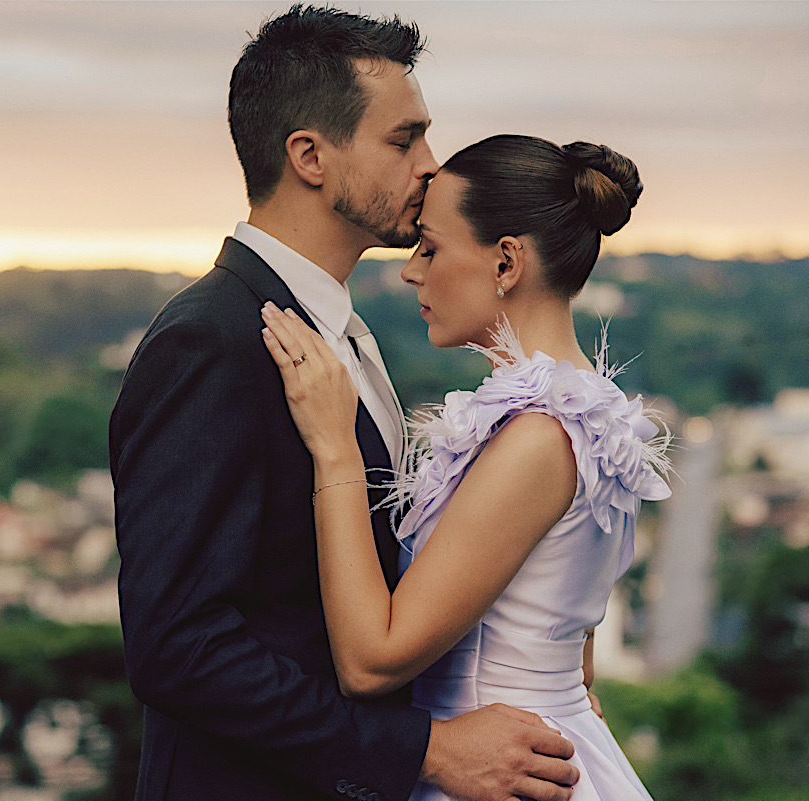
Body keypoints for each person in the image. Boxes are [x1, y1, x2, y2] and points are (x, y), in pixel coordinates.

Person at [110, 6, 580, 801]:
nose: (431, 166)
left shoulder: (346, 332)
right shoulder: (210, 341)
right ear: (310, 156)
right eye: (404, 140)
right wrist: (424, 749)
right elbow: (178, 647)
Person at [259, 133, 672, 801]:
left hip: (495, 772)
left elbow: (371, 662)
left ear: (506, 261)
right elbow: (573, 638)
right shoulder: (597, 417)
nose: (410, 270)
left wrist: (333, 446)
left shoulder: (538, 438)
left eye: (430, 246)